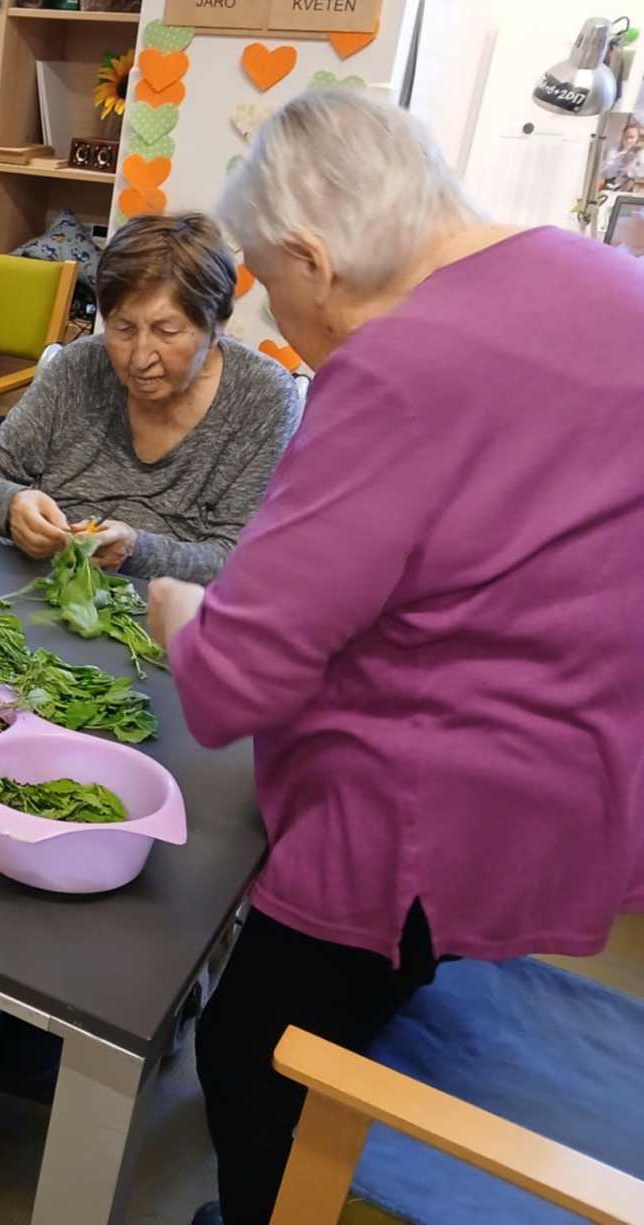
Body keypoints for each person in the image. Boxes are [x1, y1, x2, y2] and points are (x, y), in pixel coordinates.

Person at [143, 92, 644, 1225]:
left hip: (426, 809)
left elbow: (232, 683)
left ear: (313, 260)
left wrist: (181, 612)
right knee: (368, 987)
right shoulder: (609, 280)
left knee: (247, 1049)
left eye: (270, 285)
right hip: (583, 781)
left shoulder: (399, 366)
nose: (274, 316)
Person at [0, 213, 300, 584]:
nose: (140, 357)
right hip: (33, 582)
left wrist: (137, 550)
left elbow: (242, 559)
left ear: (217, 326)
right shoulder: (80, 366)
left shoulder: (262, 396)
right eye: (124, 328)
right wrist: (11, 506)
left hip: (157, 605)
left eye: (167, 331)